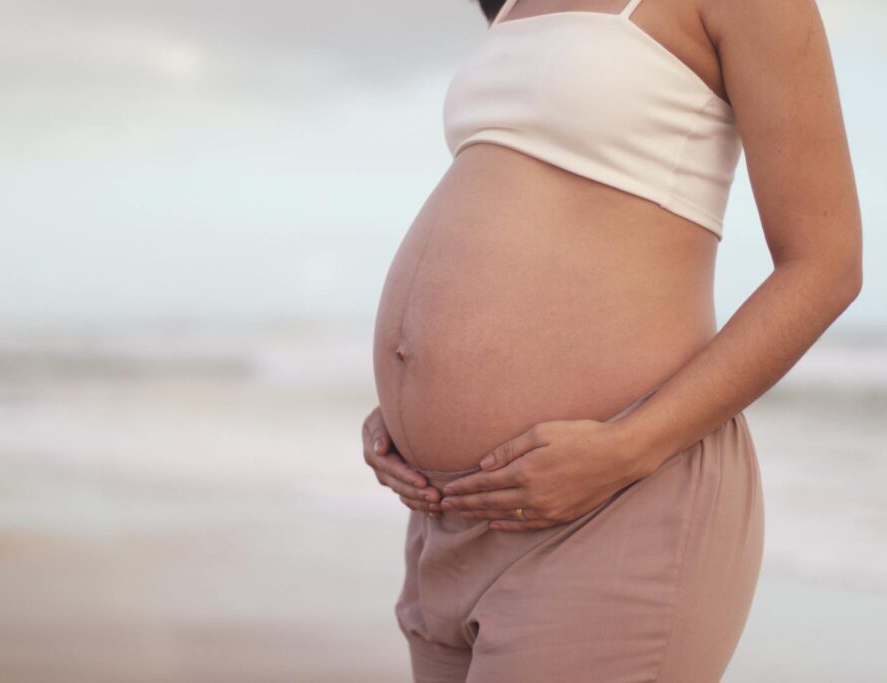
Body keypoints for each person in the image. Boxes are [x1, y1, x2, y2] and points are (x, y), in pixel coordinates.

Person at [362, 0, 861, 680]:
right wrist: (411, 404)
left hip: (613, 500)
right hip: (449, 512)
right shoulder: (511, 6)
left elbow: (826, 265)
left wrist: (627, 448)